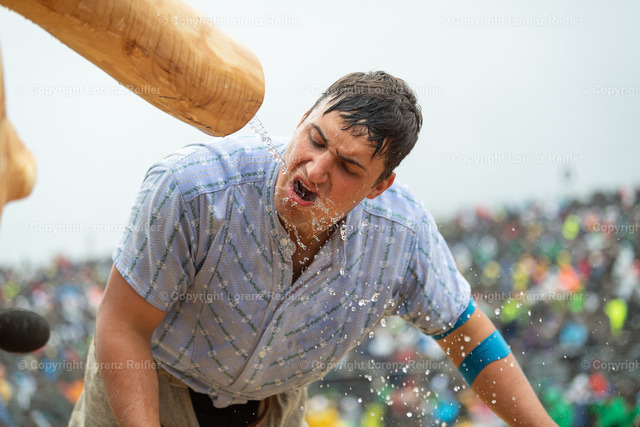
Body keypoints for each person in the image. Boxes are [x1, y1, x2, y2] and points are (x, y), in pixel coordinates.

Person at [70, 71, 556, 426]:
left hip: (272, 406)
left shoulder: (400, 234)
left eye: (348, 167)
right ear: (302, 119)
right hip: (152, 384)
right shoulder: (194, 188)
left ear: (379, 186)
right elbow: (123, 327)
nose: (316, 169)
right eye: (316, 140)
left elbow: (469, 337)